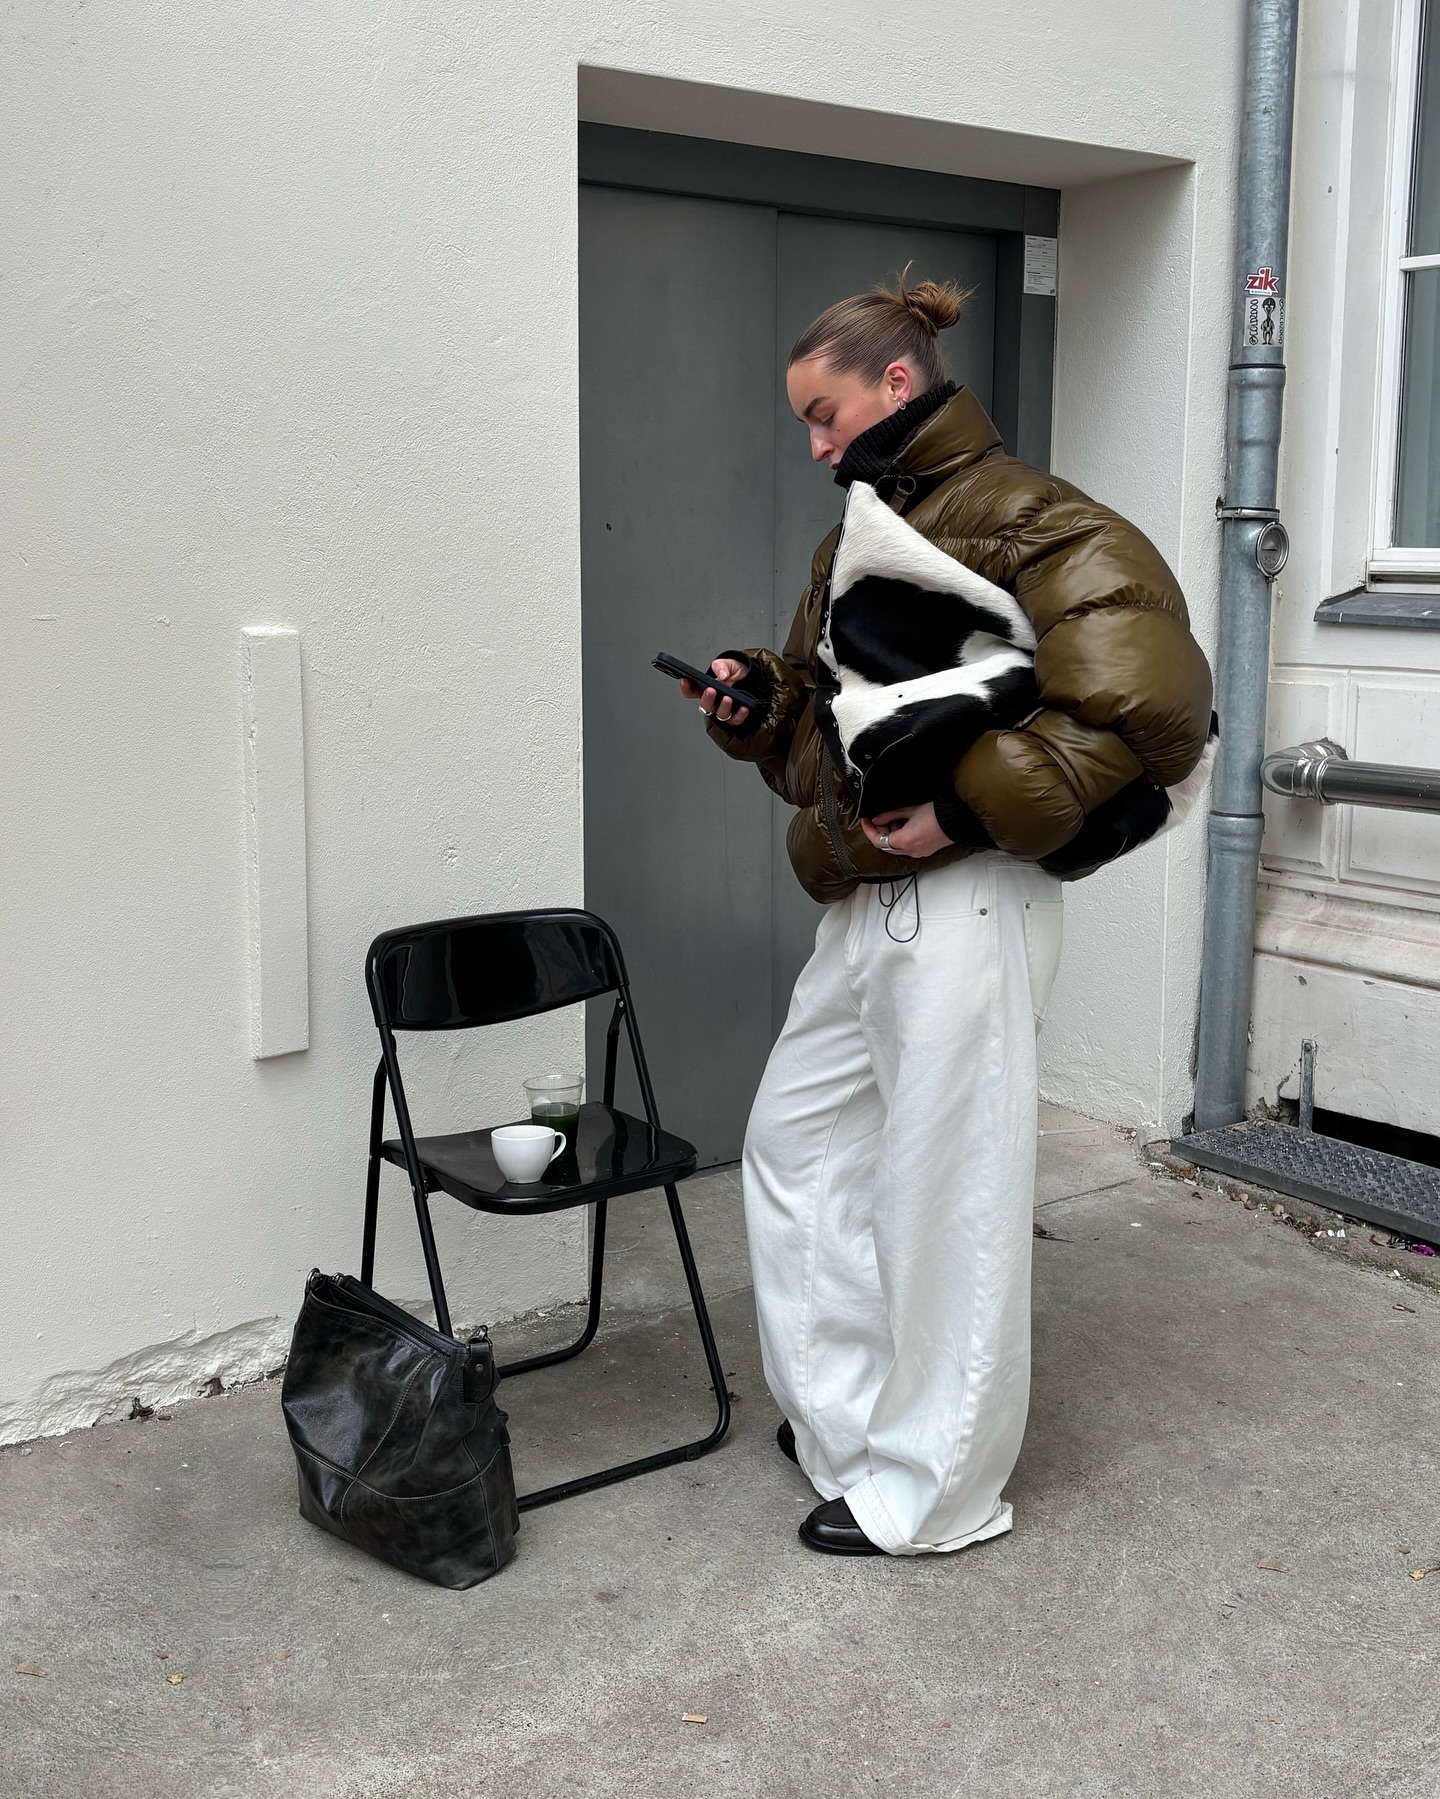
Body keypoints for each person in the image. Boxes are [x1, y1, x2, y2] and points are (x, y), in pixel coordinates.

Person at [680, 275, 1213, 1557]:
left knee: (947, 1189)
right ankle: (845, 1423)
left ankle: (934, 1492)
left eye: (825, 412)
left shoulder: (1034, 515)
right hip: (872, 896)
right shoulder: (859, 530)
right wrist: (760, 706)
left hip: (967, 895)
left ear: (896, 385)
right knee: (799, 1148)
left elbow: (1156, 711)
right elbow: (836, 731)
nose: (812, 443)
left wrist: (967, 813)